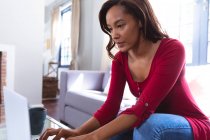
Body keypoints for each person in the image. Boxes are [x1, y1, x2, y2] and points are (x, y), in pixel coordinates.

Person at [40, 0, 210, 139]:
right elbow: (110, 107)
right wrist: (78, 132)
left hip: (189, 123)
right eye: (110, 28)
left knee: (148, 126)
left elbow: (142, 109)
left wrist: (91, 137)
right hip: (149, 119)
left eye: (120, 25)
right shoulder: (120, 60)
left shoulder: (172, 49)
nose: (114, 35)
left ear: (141, 20)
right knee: (115, 127)